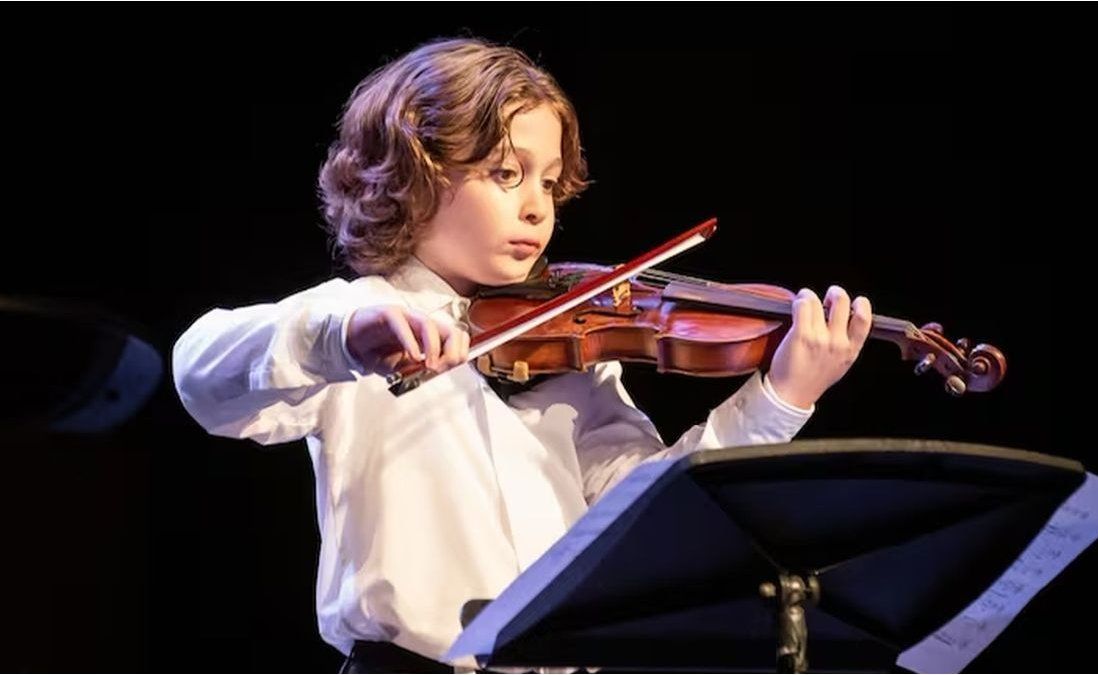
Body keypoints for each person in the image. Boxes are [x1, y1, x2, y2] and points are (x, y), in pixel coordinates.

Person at [172, 36, 873, 673]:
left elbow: (650, 514)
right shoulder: (358, 322)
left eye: (549, 182)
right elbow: (201, 372)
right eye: (507, 174)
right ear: (414, 174)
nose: (538, 208)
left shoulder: (573, 351)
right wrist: (343, 339)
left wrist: (780, 398)